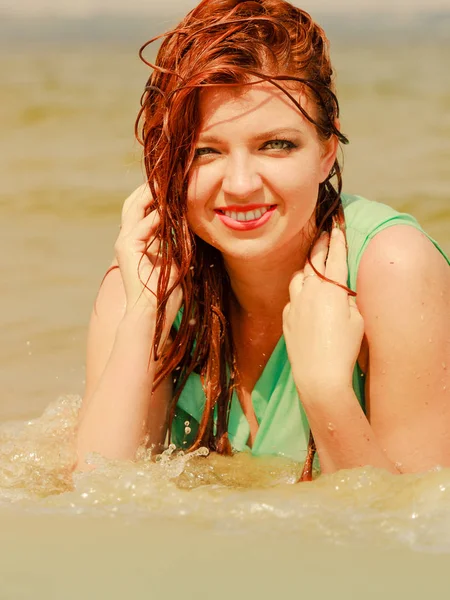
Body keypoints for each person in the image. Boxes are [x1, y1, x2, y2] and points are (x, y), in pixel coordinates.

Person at [76, 0, 450, 478]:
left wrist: (325, 391)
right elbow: (96, 493)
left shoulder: (394, 269)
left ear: (325, 152)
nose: (240, 184)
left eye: (275, 145)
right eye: (204, 152)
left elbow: (409, 524)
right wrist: (142, 318)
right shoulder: (147, 277)